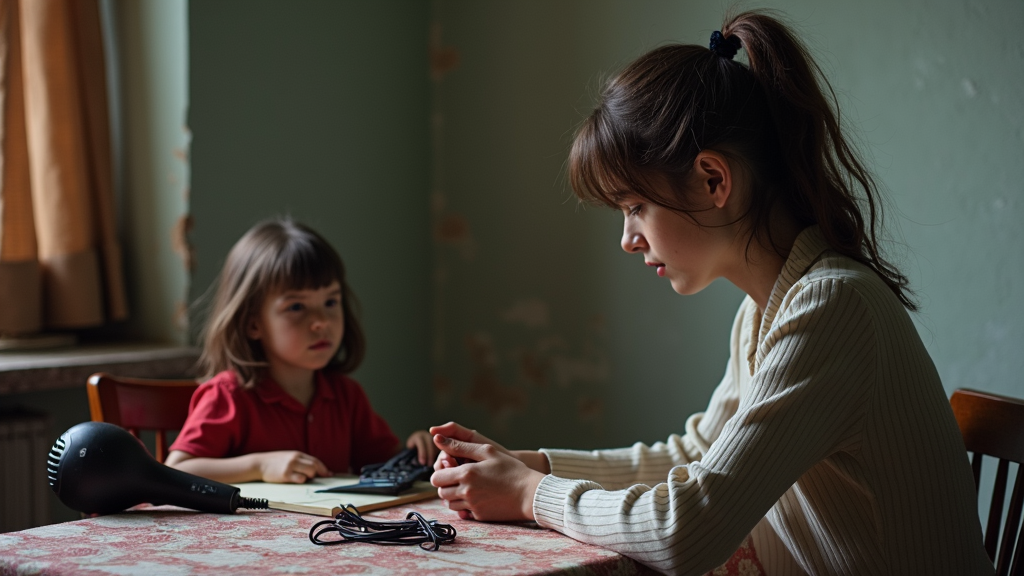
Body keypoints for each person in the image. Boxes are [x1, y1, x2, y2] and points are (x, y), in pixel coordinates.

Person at [428, 10, 993, 576]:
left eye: (634, 208)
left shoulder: (832, 308)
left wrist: (532, 494)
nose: (627, 240)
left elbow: (686, 532)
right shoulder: (765, 312)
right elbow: (692, 456)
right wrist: (531, 465)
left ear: (713, 180)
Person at [166, 218, 436, 484]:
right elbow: (176, 470)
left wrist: (415, 453)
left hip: (329, 529)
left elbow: (384, 465)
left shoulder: (346, 397)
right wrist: (259, 465)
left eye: (330, 301)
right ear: (253, 323)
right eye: (296, 307)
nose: (322, 321)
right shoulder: (228, 396)